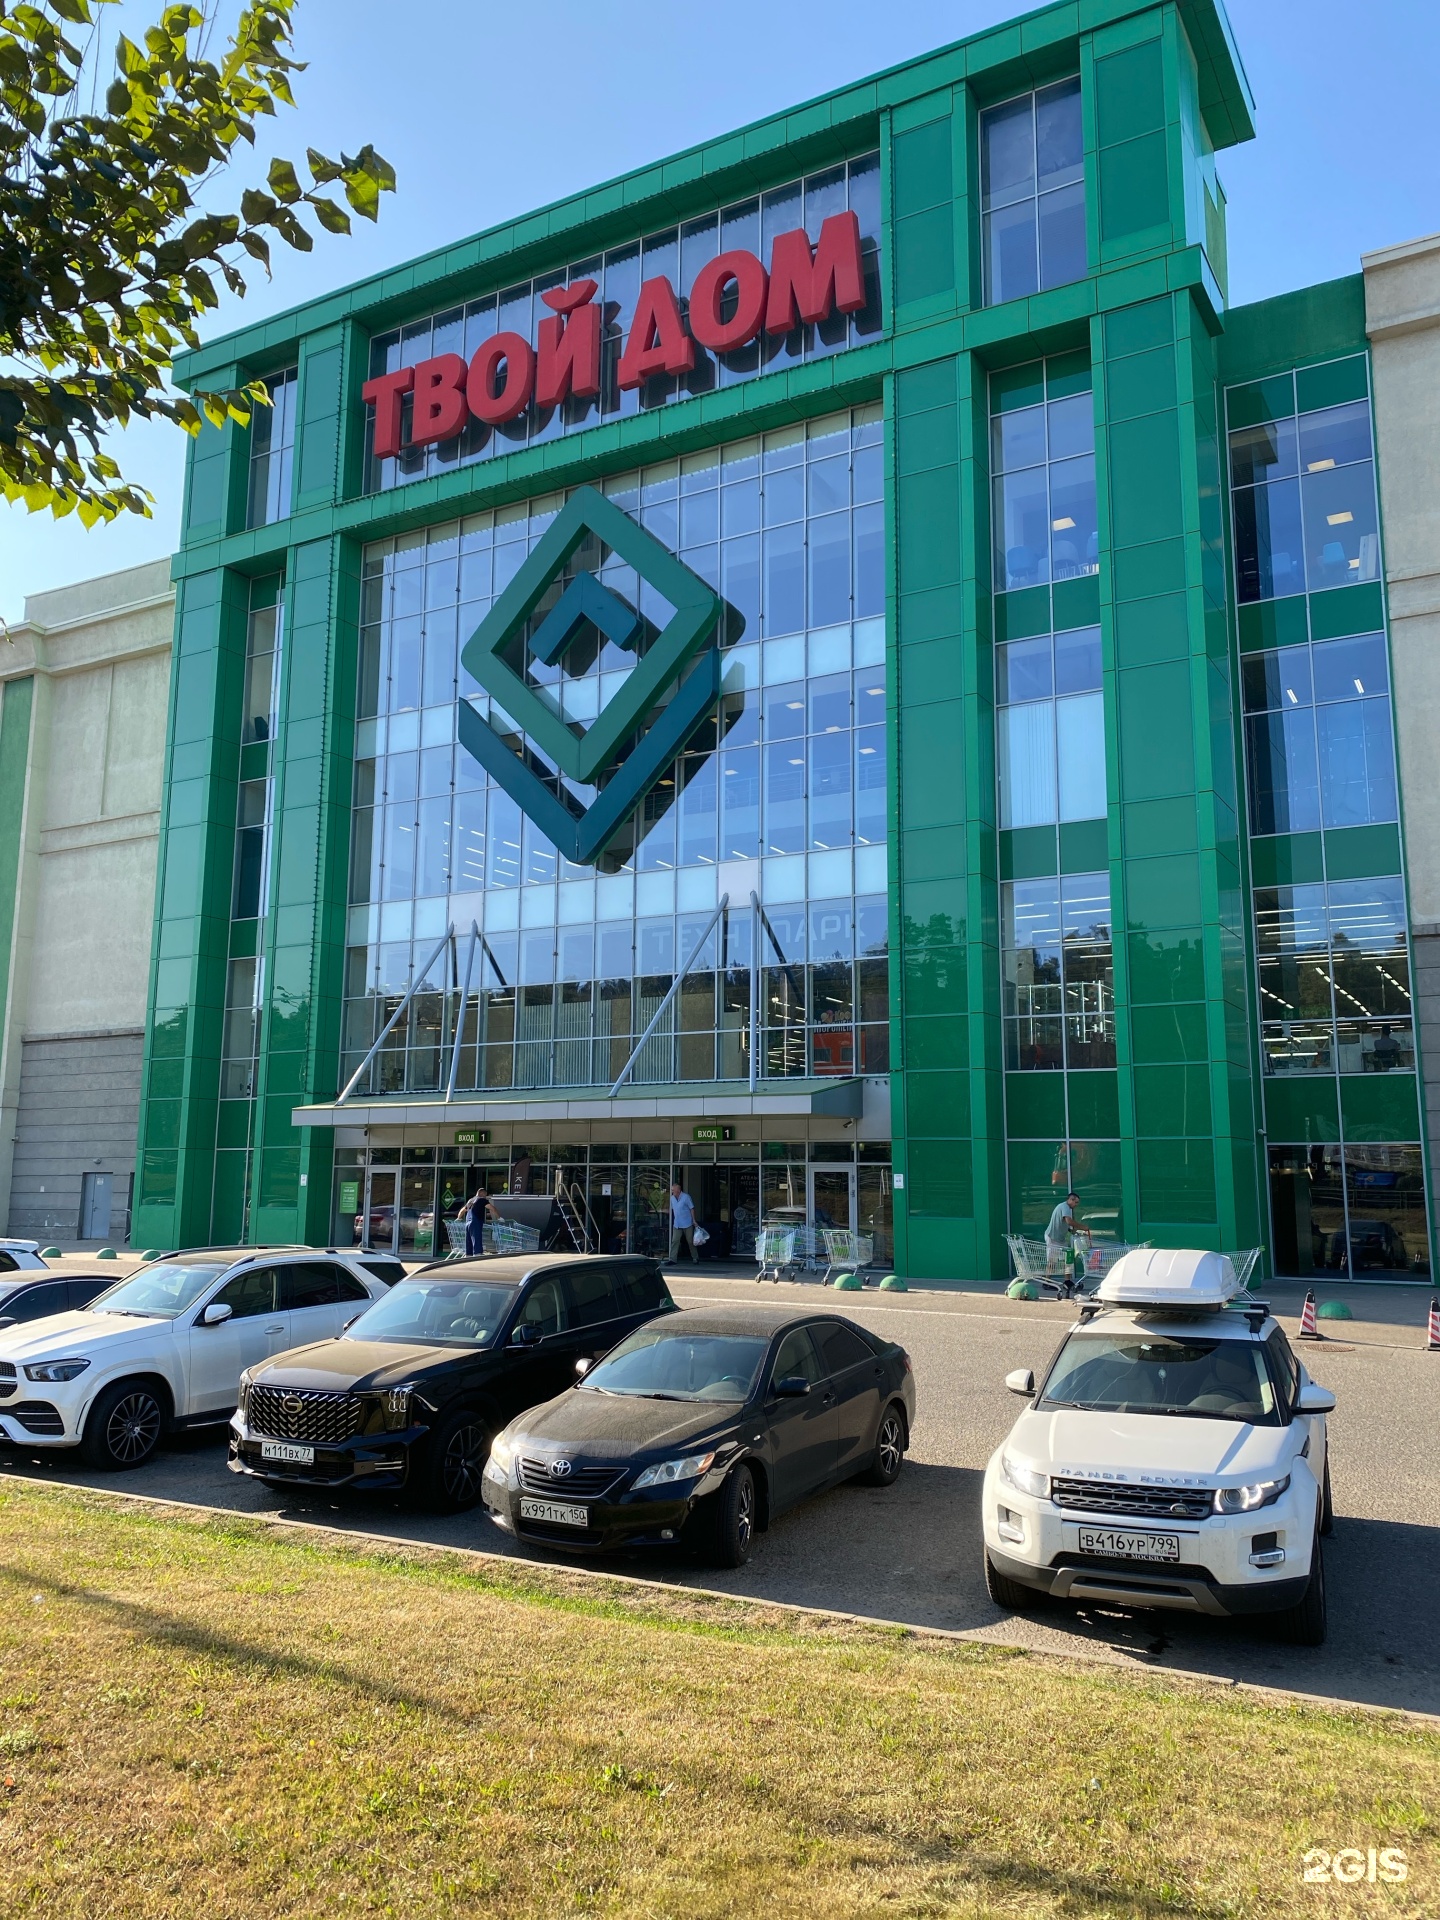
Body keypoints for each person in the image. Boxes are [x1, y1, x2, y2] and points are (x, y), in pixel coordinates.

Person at [1044, 1191, 1080, 1289]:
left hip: (1060, 1239)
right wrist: (1083, 1227)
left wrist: (1070, 1230)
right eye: (1076, 1202)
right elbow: (1069, 1221)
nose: (1076, 1205)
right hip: (1052, 1237)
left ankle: (1067, 1281)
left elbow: (1062, 1222)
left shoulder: (1065, 1207)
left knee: (1067, 1260)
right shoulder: (1065, 1207)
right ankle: (1047, 1282)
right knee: (1052, 1261)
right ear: (1071, 1200)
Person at [669, 1181, 699, 1263]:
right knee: (675, 1241)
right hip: (677, 1224)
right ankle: (672, 1259)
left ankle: (695, 1257)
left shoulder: (686, 1197)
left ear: (678, 1190)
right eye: (672, 1190)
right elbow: (673, 1210)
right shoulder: (672, 1198)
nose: (672, 1192)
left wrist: (694, 1220)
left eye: (673, 1190)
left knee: (690, 1241)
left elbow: (692, 1208)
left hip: (687, 1223)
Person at [462, 1189, 486, 1259]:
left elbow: (463, 1210)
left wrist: (458, 1217)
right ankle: (478, 1253)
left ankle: (469, 1254)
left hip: (468, 1222)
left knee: (469, 1239)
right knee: (476, 1236)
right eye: (485, 1194)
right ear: (482, 1193)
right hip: (475, 1221)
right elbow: (491, 1208)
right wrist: (499, 1217)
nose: (485, 1196)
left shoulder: (470, 1200)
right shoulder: (481, 1199)